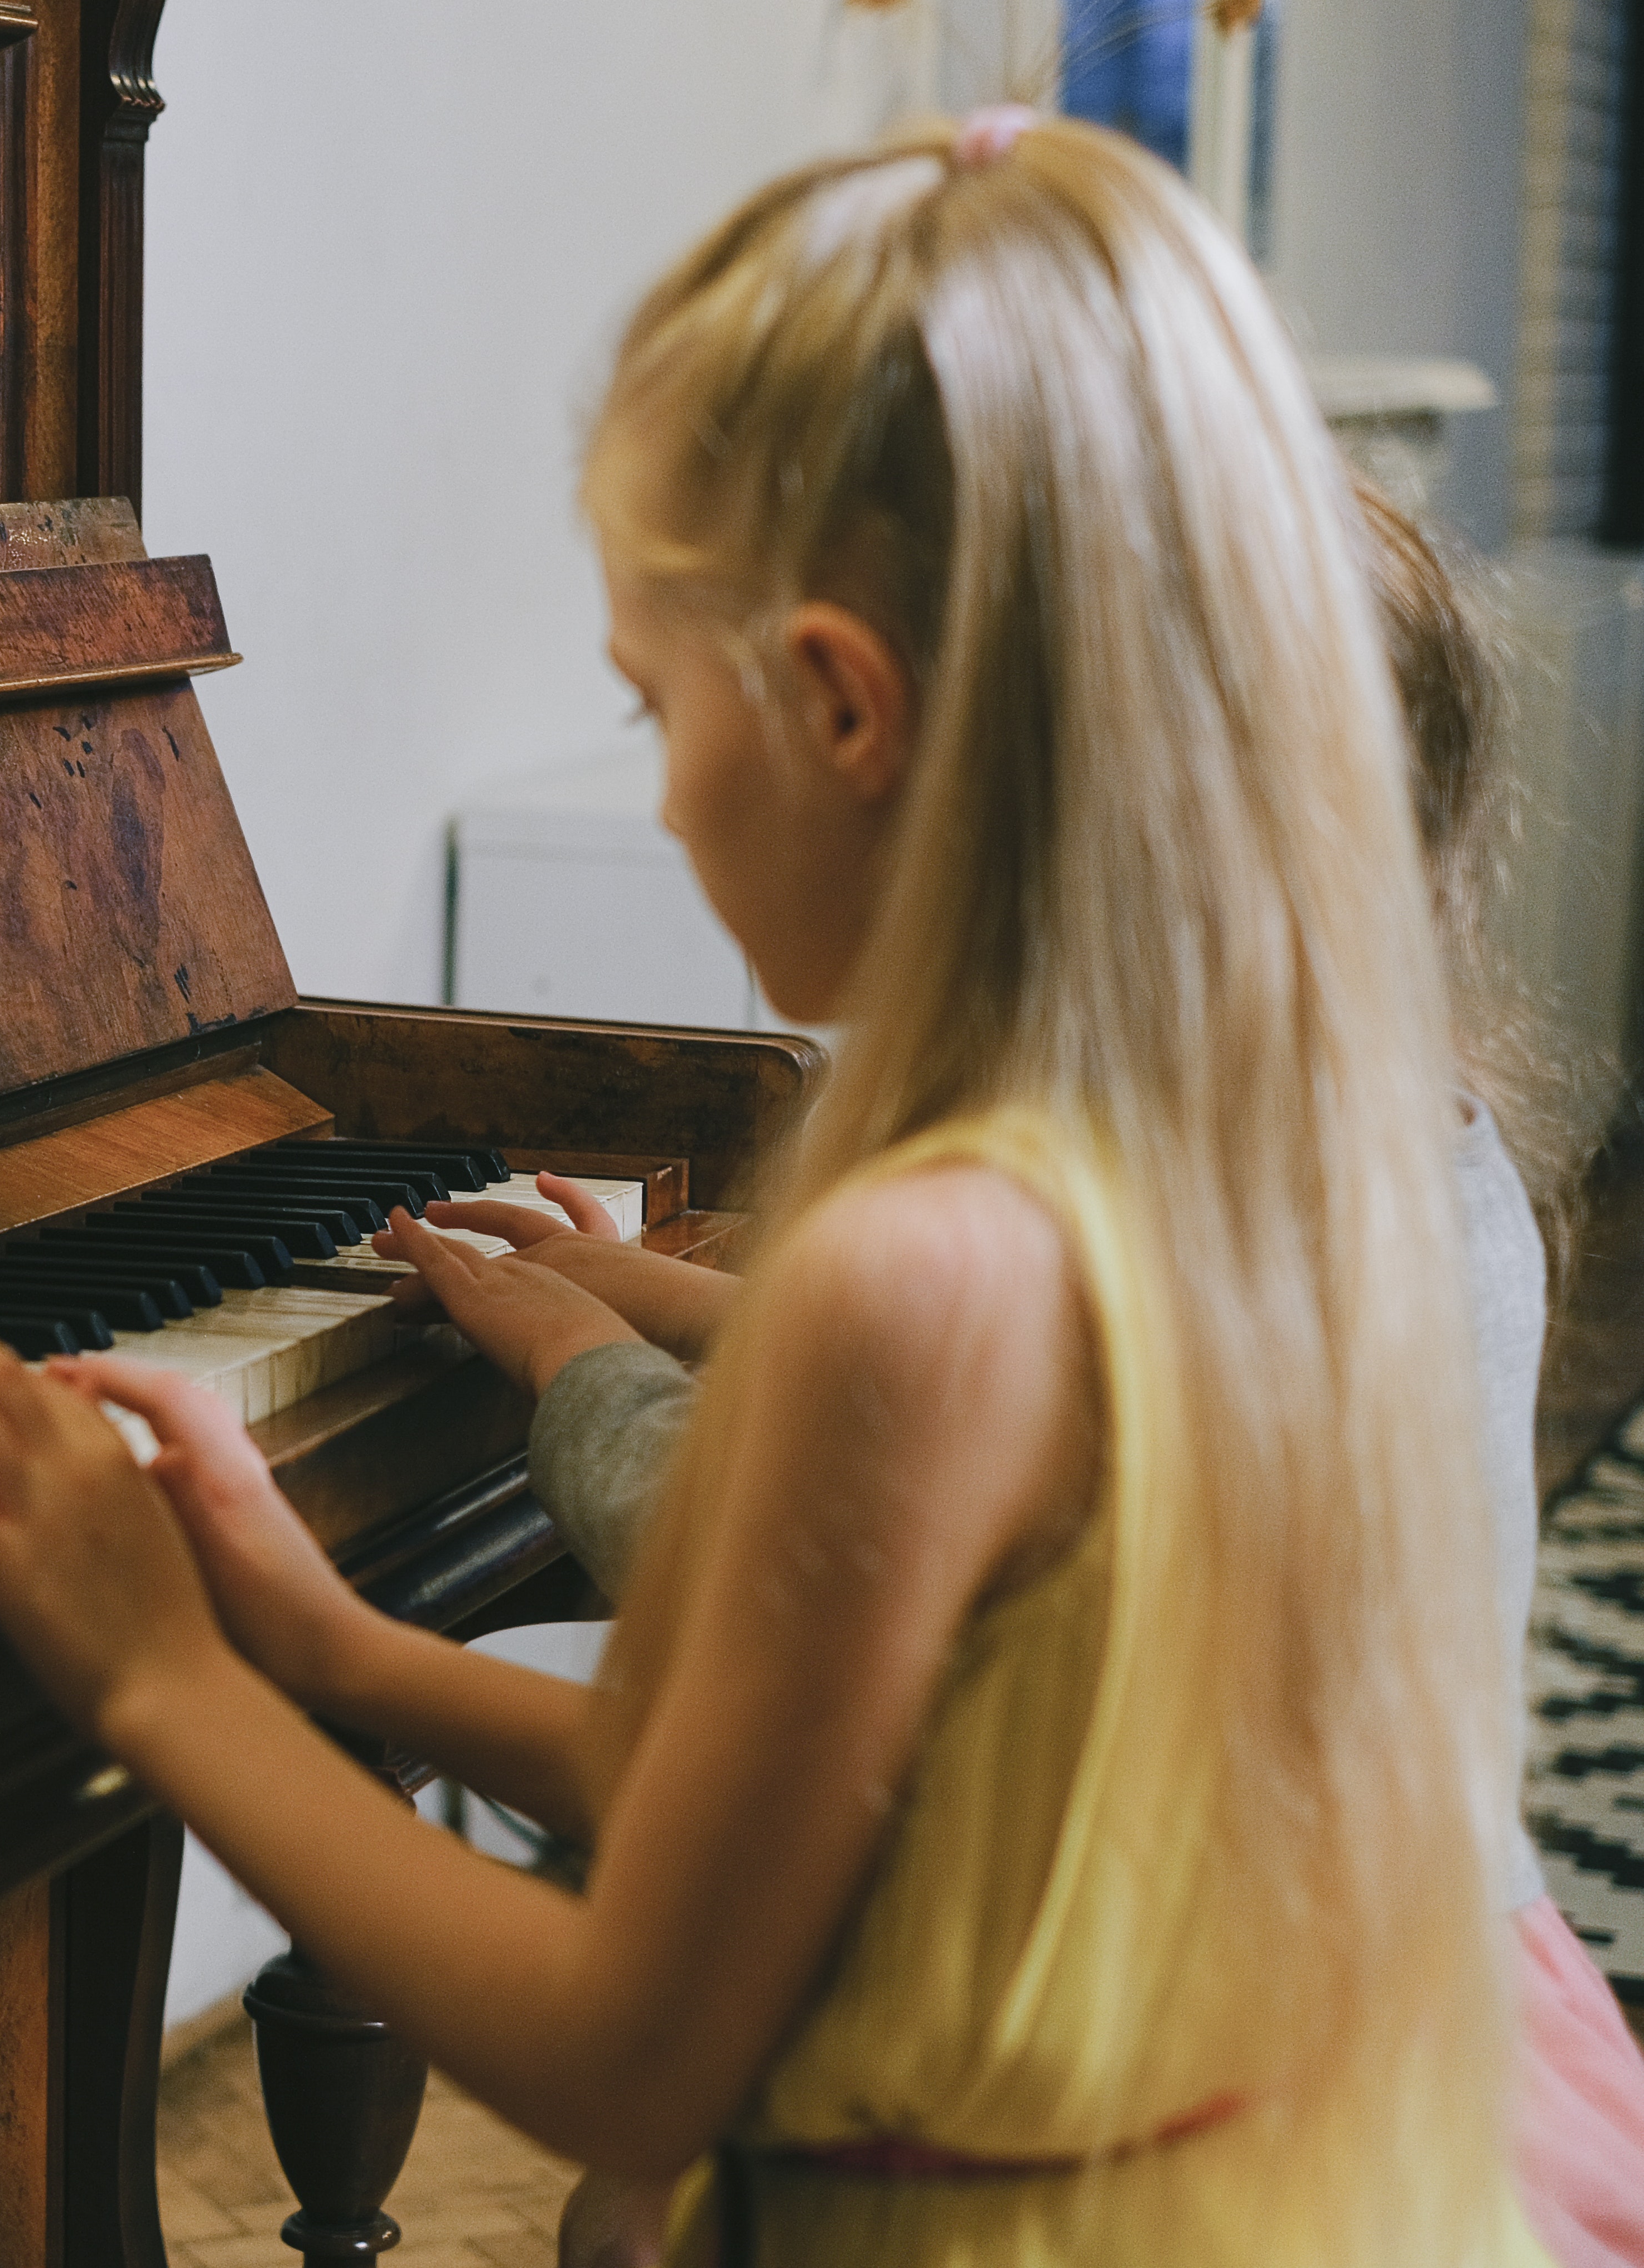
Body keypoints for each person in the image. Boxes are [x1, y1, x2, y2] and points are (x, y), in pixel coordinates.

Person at [0, 108, 1554, 2264]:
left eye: (657, 705)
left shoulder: (923, 1274)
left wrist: (158, 1683)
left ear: (843, 705)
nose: (655, 793)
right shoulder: (1278, 1161)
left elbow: (625, 2052)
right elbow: (762, 1782)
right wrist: (312, 1631)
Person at [489, 487, 1644, 2265]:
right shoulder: (1427, 1154)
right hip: (1450, 1986)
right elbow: (1057, 1412)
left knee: (632, 2222)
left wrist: (577, 1353)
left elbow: (761, 1565)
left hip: (1179, 2077)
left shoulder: (1140, 1218)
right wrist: (654, 1285)